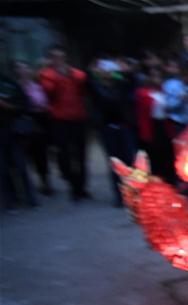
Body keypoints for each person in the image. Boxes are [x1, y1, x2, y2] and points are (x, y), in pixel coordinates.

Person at [39, 45, 90, 200]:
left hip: (78, 117)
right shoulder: (47, 74)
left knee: (81, 155)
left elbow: (83, 83)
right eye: (55, 57)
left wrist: (68, 74)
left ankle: (81, 188)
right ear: (51, 59)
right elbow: (49, 91)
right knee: (65, 154)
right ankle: (72, 182)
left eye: (61, 57)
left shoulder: (74, 73)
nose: (58, 60)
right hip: (60, 119)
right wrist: (59, 76)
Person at [89, 57, 137, 206]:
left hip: (124, 127)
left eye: (111, 71)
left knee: (129, 161)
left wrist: (117, 73)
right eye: (105, 71)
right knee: (115, 162)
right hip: (108, 128)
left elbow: (131, 79)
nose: (108, 74)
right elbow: (90, 79)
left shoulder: (122, 84)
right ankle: (119, 195)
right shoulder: (97, 87)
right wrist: (98, 73)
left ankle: (133, 192)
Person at [0, 71, 37, 210]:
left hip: (12, 132)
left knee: (21, 166)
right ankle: (10, 201)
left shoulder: (8, 83)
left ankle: (30, 197)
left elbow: (24, 105)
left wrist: (7, 106)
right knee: (2, 171)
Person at [14, 60, 52, 196]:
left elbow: (43, 103)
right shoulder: (16, 87)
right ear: (17, 72)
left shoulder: (37, 86)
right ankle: (28, 186)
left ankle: (45, 182)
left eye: (26, 69)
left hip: (39, 122)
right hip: (23, 125)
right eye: (20, 69)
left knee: (41, 155)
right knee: (25, 156)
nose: (24, 71)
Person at [135, 68, 176, 184]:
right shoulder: (143, 93)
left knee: (167, 155)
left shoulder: (162, 92)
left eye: (159, 77)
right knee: (154, 157)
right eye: (154, 77)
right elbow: (144, 114)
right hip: (152, 127)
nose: (157, 79)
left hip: (163, 126)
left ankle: (169, 181)